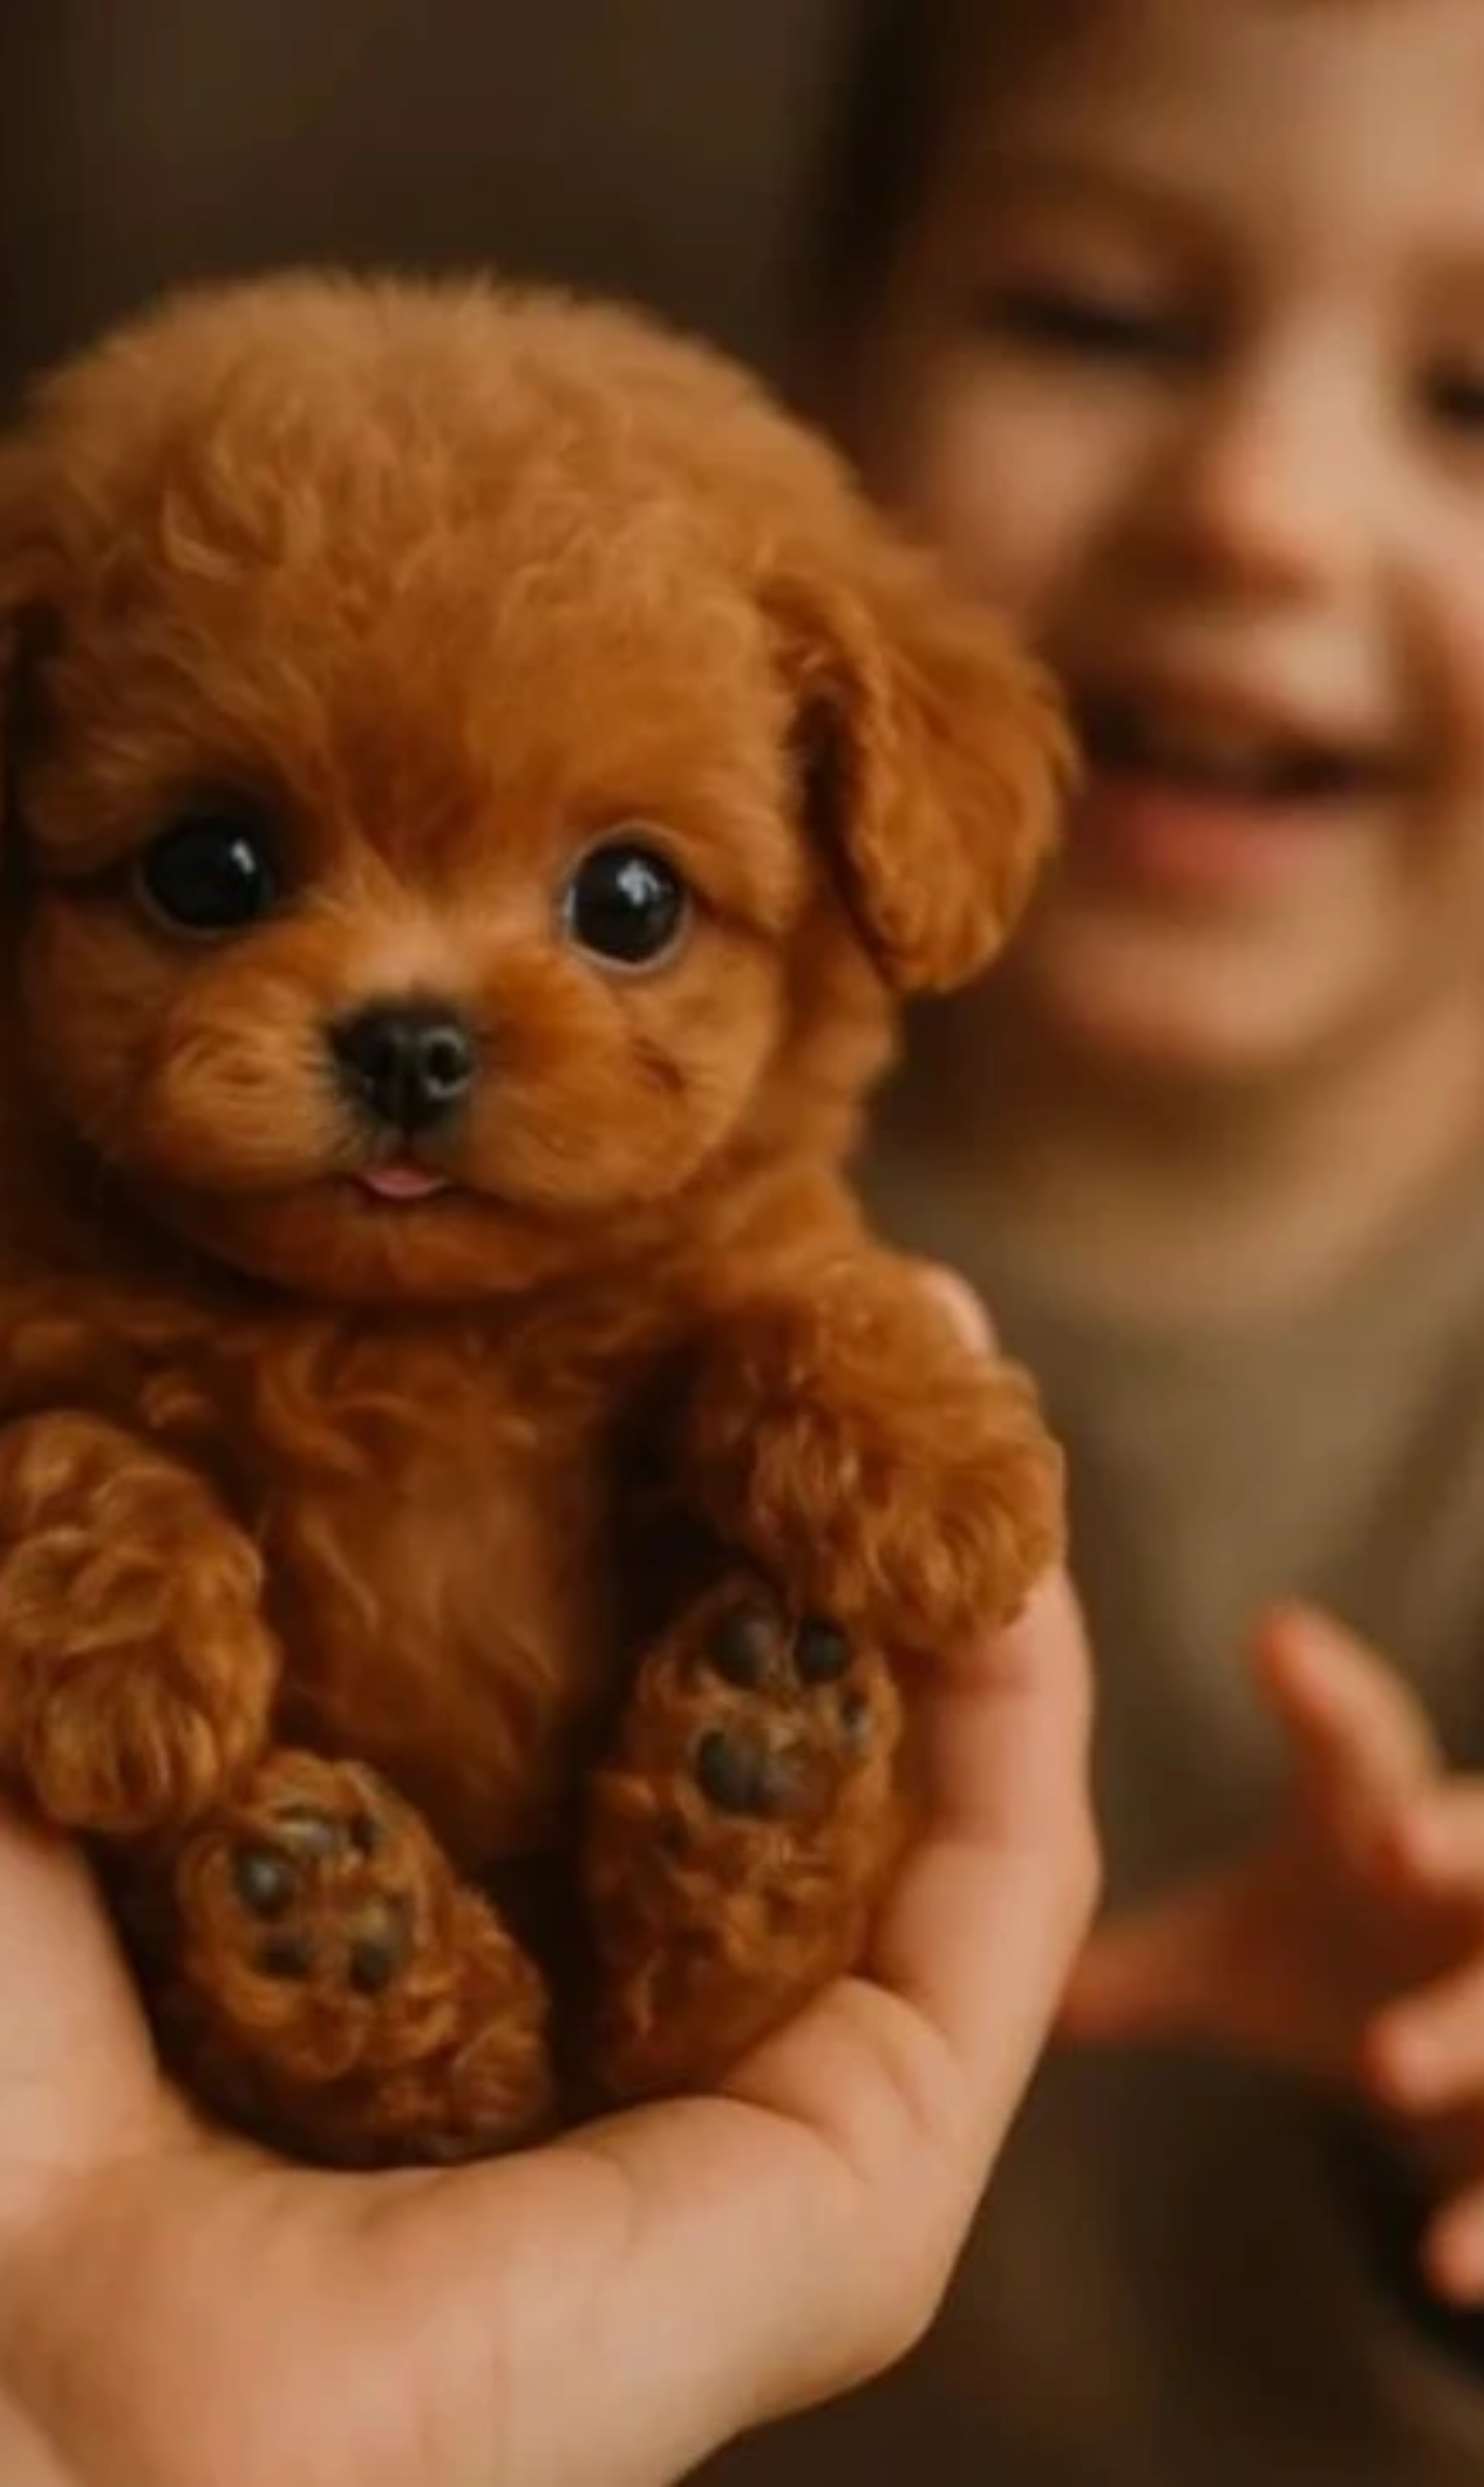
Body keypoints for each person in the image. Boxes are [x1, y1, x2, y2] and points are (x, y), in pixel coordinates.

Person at [699, 0, 1484, 2479]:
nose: (1251, 504)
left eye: (1473, 402)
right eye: (1093, 321)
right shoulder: (509, 1187)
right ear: (805, 400)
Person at [0, 1285, 1096, 2487]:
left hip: (638, 1989)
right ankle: (397, 2029)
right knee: (220, 1846)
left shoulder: (733, 1249)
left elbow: (921, 1515)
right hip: (209, 2060)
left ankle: (732, 1888)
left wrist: (837, 1380)